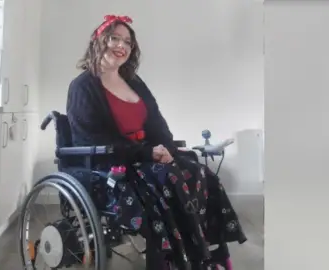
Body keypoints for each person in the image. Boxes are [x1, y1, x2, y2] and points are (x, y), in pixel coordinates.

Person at [66, 15, 246, 270]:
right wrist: (147, 152)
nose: (121, 45)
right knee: (168, 182)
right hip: (111, 163)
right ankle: (175, 262)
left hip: (146, 157)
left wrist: (168, 150)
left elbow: (156, 125)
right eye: (114, 38)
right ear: (99, 41)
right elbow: (94, 139)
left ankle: (210, 255)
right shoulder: (82, 87)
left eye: (127, 41)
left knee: (199, 173)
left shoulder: (134, 82)